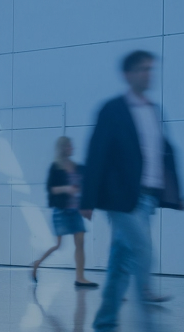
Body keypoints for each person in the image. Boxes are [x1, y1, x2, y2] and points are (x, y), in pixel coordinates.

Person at [85, 51, 179, 332]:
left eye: (150, 69)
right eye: (141, 69)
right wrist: (88, 199)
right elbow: (97, 153)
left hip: (149, 197)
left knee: (121, 262)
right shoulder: (112, 109)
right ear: (127, 75)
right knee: (142, 249)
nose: (148, 74)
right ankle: (149, 320)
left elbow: (163, 154)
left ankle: (104, 322)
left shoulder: (153, 110)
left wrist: (175, 194)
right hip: (122, 199)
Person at [30, 136, 98, 287]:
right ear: (62, 148)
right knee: (58, 245)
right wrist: (67, 188)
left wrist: (88, 205)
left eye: (71, 146)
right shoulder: (55, 168)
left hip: (75, 211)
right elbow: (51, 189)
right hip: (61, 211)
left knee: (80, 242)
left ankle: (80, 277)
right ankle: (37, 264)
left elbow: (86, 185)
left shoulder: (78, 167)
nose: (72, 148)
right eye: (68, 146)